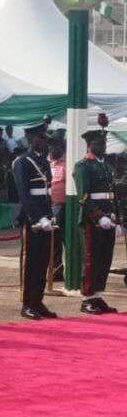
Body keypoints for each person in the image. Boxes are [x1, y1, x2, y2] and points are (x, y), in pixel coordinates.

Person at [12, 121, 58, 321]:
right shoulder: (22, 161)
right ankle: (27, 303)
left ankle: (37, 301)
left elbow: (46, 193)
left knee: (42, 261)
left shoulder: (44, 161)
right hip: (32, 220)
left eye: (45, 138)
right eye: (41, 137)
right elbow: (25, 195)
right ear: (31, 138)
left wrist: (50, 215)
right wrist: (38, 217)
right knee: (30, 262)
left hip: (46, 217)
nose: (44, 142)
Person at [74, 129, 118, 315]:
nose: (103, 146)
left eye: (104, 143)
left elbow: (111, 193)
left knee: (105, 257)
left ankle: (98, 295)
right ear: (89, 145)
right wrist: (99, 216)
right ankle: (87, 298)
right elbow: (83, 196)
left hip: (108, 216)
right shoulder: (83, 165)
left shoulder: (105, 166)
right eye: (99, 144)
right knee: (92, 258)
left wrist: (115, 215)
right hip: (93, 219)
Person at [49, 137, 67, 282]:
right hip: (48, 207)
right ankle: (56, 270)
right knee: (53, 241)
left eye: (57, 147)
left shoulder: (66, 164)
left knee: (65, 239)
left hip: (63, 206)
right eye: (52, 147)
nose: (54, 150)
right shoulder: (45, 164)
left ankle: (76, 269)